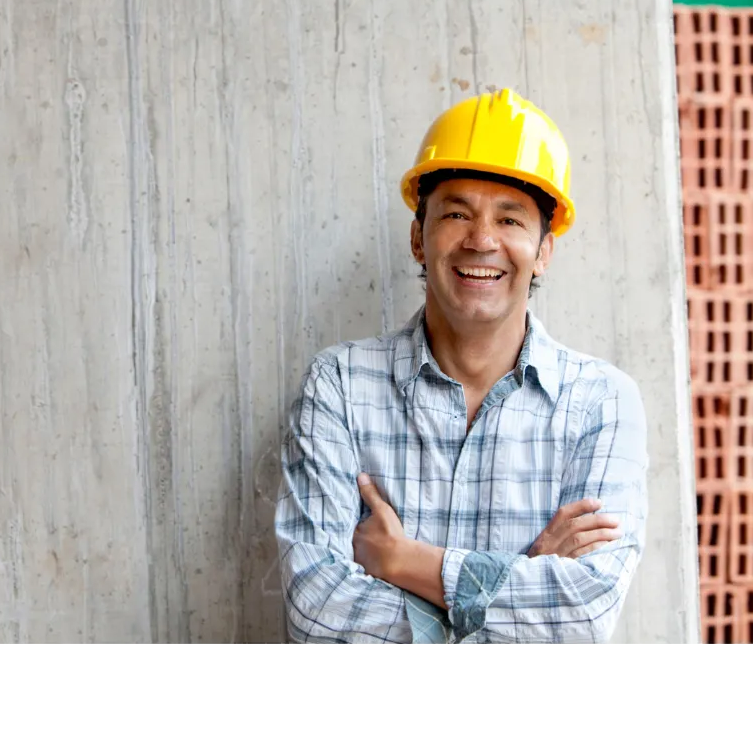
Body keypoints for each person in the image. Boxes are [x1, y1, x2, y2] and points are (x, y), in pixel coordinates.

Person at [275, 88, 649, 644]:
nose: (481, 240)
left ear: (544, 250)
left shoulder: (601, 403)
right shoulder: (339, 388)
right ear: (417, 237)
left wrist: (404, 563)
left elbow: (584, 617)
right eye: (456, 213)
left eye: (510, 219)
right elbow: (317, 612)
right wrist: (523, 573)